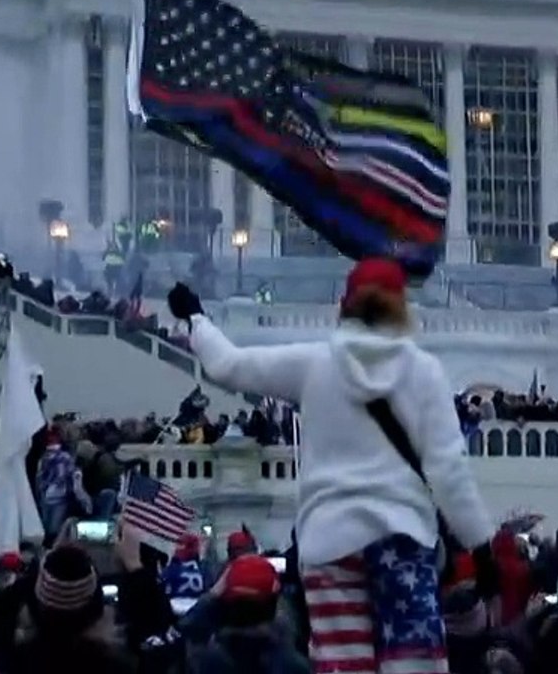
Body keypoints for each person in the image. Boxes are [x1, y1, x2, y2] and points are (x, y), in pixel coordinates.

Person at [168, 258, 495, 673]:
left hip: (329, 540)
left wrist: (196, 318)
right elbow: (450, 471)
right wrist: (481, 548)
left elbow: (228, 367)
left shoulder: (316, 364)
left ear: (343, 307)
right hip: (403, 536)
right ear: (401, 309)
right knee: (415, 665)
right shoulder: (425, 373)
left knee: (344, 666)